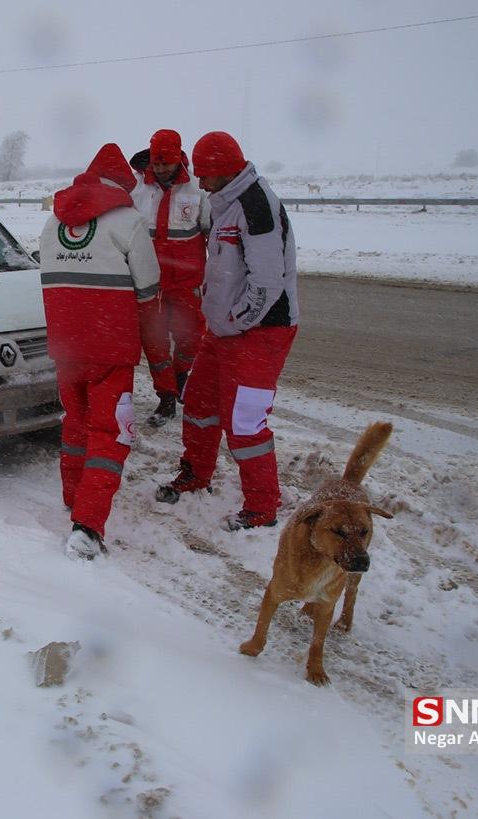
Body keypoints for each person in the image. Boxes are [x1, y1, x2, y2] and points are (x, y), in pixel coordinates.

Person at [156, 131, 299, 532]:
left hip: (261, 331)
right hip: (225, 331)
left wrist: (235, 320)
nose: (199, 183)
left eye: (206, 175)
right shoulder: (225, 201)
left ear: (225, 170)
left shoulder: (256, 206)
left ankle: (262, 507)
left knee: (245, 421)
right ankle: (196, 473)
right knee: (200, 405)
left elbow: (267, 284)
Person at [39, 143, 161, 560]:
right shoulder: (129, 222)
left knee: (76, 424)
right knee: (111, 435)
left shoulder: (53, 221)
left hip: (66, 349)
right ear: (124, 185)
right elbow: (148, 291)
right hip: (110, 351)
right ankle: (87, 528)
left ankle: (74, 497)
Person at [130, 129, 210, 427]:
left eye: (167, 163)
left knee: (191, 339)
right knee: (155, 344)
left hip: (187, 283)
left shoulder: (198, 191)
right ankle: (166, 398)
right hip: (150, 284)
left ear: (179, 158)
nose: (161, 169)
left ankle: (179, 378)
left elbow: (212, 236)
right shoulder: (137, 190)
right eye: (157, 163)